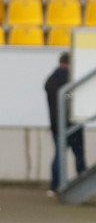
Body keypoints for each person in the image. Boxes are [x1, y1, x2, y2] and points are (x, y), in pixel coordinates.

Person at [45, 52, 87, 194]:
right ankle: (83, 184)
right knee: (79, 154)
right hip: (72, 123)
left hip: (56, 125)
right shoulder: (72, 78)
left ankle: (54, 186)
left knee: (59, 155)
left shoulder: (50, 80)